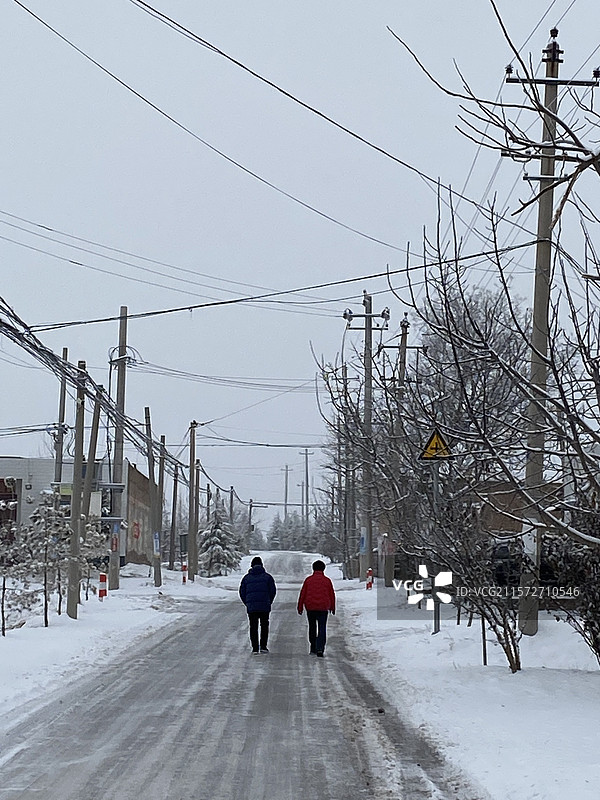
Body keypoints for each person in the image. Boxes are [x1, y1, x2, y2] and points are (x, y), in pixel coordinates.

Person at [297, 560, 336, 657]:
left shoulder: (308, 580)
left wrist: (300, 606)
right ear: (323, 568)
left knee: (312, 627)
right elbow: (331, 594)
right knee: (322, 628)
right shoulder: (327, 581)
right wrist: (332, 607)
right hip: (323, 607)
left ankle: (313, 647)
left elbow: (303, 594)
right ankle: (320, 648)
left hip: (310, 607)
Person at [239, 556, 277, 654]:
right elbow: (273, 591)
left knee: (253, 626)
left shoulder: (246, 578)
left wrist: (247, 603)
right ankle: (263, 646)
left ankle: (255, 648)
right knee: (264, 625)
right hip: (264, 606)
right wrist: (269, 601)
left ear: (251, 565)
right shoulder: (268, 577)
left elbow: (242, 592)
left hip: (252, 607)